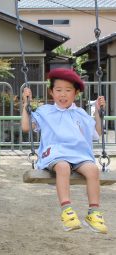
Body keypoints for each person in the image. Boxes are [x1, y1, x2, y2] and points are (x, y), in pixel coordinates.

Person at [21, 68, 107, 234]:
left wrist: (97, 111)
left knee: (93, 170)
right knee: (63, 167)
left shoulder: (80, 113)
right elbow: (26, 127)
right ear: (51, 92)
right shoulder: (45, 111)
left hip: (79, 155)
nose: (63, 94)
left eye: (68, 90)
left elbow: (96, 132)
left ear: (76, 93)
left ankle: (94, 212)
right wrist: (26, 105)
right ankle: (67, 210)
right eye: (58, 90)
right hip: (56, 153)